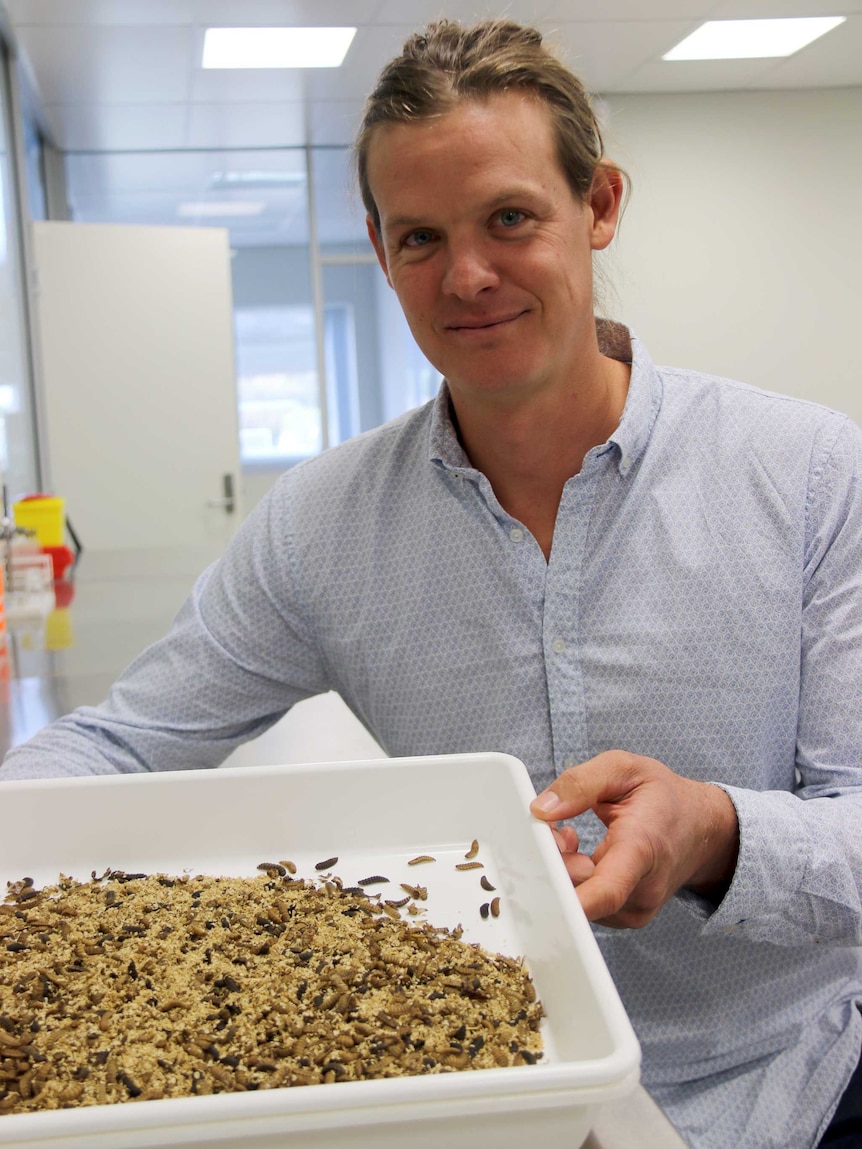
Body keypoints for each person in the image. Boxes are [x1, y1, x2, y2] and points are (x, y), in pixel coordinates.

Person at [3, 18, 862, 1149]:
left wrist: (713, 832)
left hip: (784, 1080)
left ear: (597, 205)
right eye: (419, 238)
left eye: (510, 218)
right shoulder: (324, 525)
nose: (465, 276)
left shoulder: (809, 477)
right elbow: (119, 745)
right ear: (378, 245)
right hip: (482, 1081)